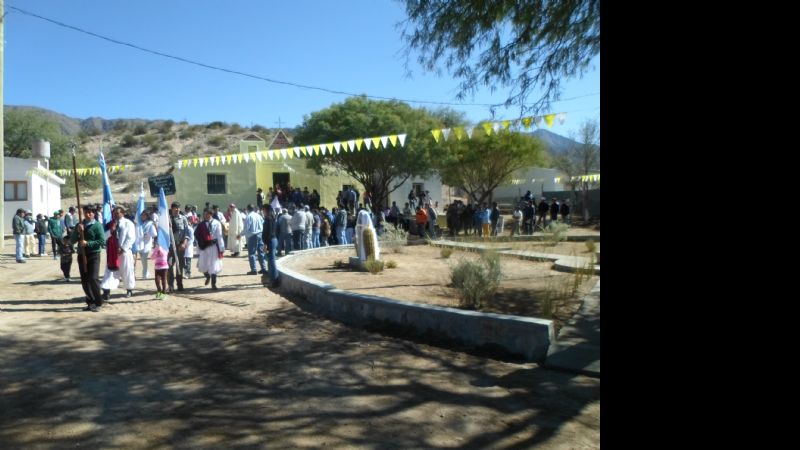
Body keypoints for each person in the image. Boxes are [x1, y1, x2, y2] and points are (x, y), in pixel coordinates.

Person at [72, 205, 106, 312]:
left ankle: (98, 302)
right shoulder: (79, 225)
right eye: (86, 212)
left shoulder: (97, 226)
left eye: (91, 212)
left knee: (93, 278)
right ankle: (90, 302)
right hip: (81, 255)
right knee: (85, 280)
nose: (88, 214)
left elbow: (102, 241)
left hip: (93, 255)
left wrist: (88, 243)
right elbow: (72, 240)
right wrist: (77, 231)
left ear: (94, 213)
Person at [195, 208, 225, 290]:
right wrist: (199, 247)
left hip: (213, 247)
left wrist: (221, 247)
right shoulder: (201, 225)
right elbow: (198, 236)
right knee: (203, 264)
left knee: (214, 265)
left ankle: (213, 284)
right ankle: (207, 276)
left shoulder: (217, 223)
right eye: (205, 214)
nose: (206, 216)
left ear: (211, 214)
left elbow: (219, 235)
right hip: (204, 247)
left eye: (208, 214)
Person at [168, 201, 191, 292]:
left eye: (178, 208)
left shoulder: (183, 219)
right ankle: (170, 285)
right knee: (169, 265)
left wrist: (184, 244)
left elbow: (186, 233)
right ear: (172, 209)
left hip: (180, 246)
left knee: (179, 266)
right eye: (175, 208)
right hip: (170, 246)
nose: (177, 210)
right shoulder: (167, 219)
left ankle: (180, 284)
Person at [114, 206, 137, 298]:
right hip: (113, 252)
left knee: (127, 270)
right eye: (114, 213)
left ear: (122, 213)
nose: (116, 214)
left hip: (125, 251)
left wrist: (123, 248)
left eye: (118, 213)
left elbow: (131, 238)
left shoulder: (128, 223)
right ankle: (107, 291)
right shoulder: (112, 224)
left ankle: (129, 289)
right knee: (111, 271)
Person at [241, 204, 267, 275]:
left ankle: (254, 270)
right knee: (261, 252)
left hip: (252, 235)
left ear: (247, 209)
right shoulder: (258, 215)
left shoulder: (248, 217)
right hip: (260, 234)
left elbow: (246, 228)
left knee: (252, 253)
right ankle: (263, 268)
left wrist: (240, 234)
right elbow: (263, 223)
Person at [261, 205, 280, 287]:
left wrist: (265, 244)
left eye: (263, 210)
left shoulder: (268, 219)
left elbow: (268, 233)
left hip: (270, 241)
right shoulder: (273, 218)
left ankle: (275, 281)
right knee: (271, 261)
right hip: (273, 240)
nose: (262, 211)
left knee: (271, 262)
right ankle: (272, 280)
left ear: (266, 210)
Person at [136, 211, 156, 279]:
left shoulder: (150, 223)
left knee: (144, 258)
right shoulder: (140, 223)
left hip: (147, 244)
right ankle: (146, 271)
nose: (143, 217)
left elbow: (154, 234)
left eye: (144, 215)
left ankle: (145, 273)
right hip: (140, 243)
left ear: (147, 216)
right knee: (142, 259)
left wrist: (148, 234)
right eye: (142, 215)